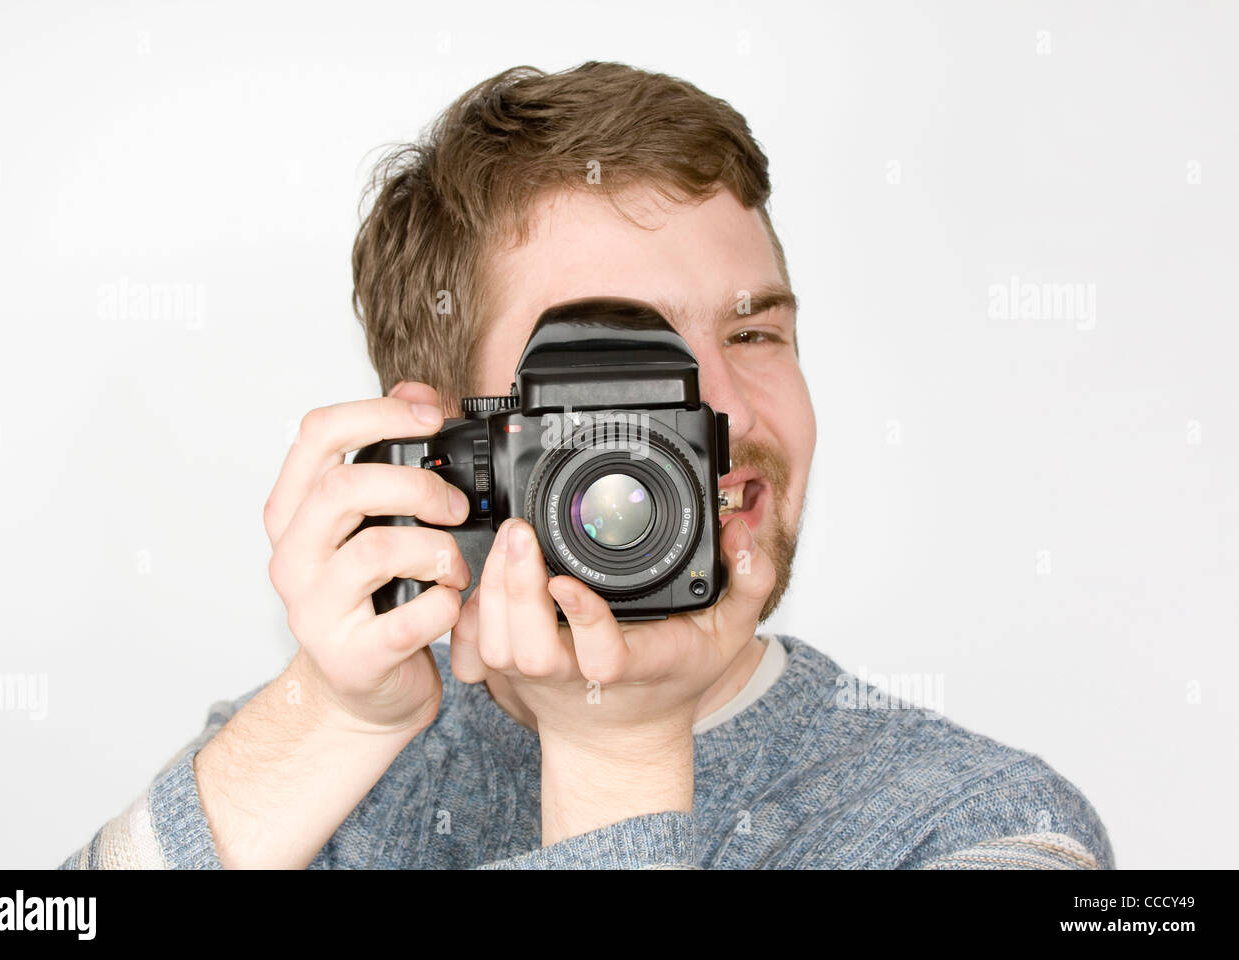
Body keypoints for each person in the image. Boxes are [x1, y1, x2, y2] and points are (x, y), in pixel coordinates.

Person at [61, 61, 1113, 870]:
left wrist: (620, 753)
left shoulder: (983, 824)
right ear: (449, 443)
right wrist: (332, 720)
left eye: (753, 337)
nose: (714, 414)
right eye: (621, 361)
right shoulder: (323, 752)